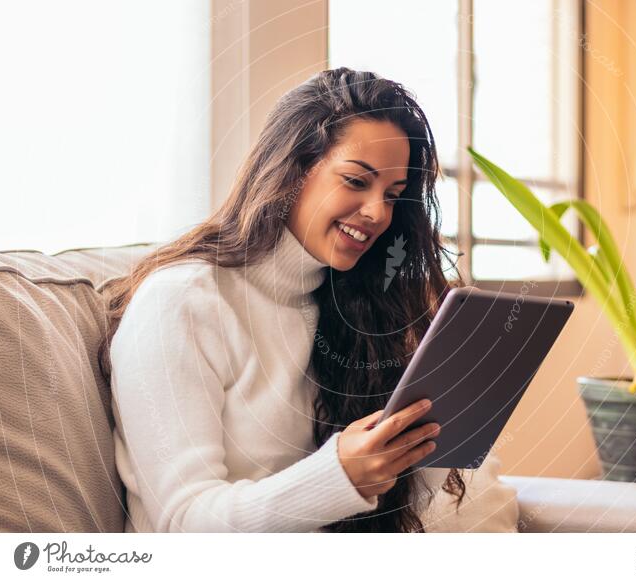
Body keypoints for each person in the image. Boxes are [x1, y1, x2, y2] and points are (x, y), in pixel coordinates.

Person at [99, 67, 516, 533]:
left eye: (393, 195)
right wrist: (338, 476)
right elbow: (182, 523)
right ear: (292, 170)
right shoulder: (180, 303)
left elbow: (441, 493)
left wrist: (441, 435)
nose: (378, 213)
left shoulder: (352, 306)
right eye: (357, 181)